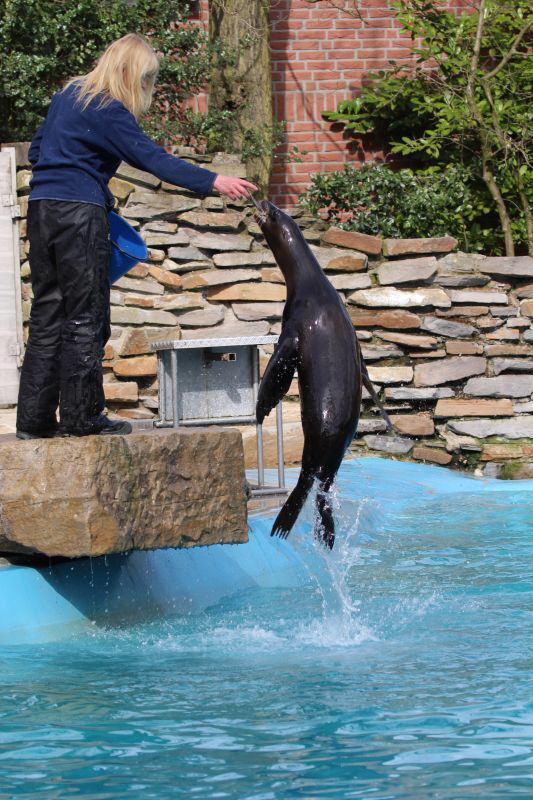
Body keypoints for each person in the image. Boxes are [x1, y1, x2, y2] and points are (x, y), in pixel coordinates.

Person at [16, 33, 258, 440]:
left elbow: (38, 152)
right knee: (85, 318)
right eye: (148, 79)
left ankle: (33, 423)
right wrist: (214, 179)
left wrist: (74, 178)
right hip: (79, 216)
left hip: (42, 209)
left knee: (46, 316)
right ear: (132, 73)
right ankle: (82, 418)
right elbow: (153, 159)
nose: (148, 86)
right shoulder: (108, 109)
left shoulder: (67, 96)